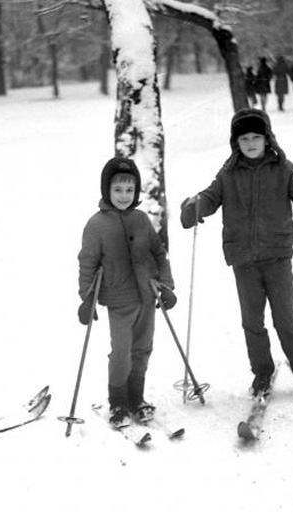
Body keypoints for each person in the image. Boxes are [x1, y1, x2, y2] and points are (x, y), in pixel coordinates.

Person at [179, 108, 293, 397]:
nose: (250, 143)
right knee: (252, 319)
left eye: (256, 137)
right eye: (244, 138)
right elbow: (211, 196)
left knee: (285, 315)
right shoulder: (228, 173)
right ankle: (262, 371)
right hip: (244, 258)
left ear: (267, 138)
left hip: (277, 255)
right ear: (236, 142)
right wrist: (195, 207)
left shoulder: (284, 169)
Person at [78, 157, 176, 428]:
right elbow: (87, 263)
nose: (124, 196)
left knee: (143, 348)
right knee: (121, 351)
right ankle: (119, 401)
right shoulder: (96, 224)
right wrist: (87, 299)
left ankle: (137, 397)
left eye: (129, 190)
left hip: (147, 295)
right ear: (106, 190)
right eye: (118, 190)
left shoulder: (142, 219)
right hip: (119, 300)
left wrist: (166, 285)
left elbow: (158, 253)